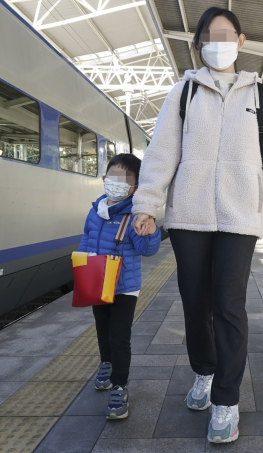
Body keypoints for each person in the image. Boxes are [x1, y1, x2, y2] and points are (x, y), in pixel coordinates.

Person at [131, 6, 263, 443]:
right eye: (209, 36)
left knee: (228, 306)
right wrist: (146, 205)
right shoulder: (183, 94)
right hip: (189, 216)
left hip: (239, 218)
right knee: (195, 303)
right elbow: (160, 155)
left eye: (226, 34)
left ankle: (226, 401)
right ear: (198, 45)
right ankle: (204, 372)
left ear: (241, 41)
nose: (218, 42)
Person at [78, 153, 162, 419]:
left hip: (125, 286)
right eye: (113, 177)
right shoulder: (95, 211)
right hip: (96, 281)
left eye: (125, 179)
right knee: (102, 329)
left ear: (135, 187)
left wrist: (150, 232)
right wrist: (81, 269)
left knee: (119, 336)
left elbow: (147, 250)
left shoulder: (135, 215)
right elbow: (86, 240)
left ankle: (120, 386)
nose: (117, 183)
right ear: (104, 179)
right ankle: (106, 364)